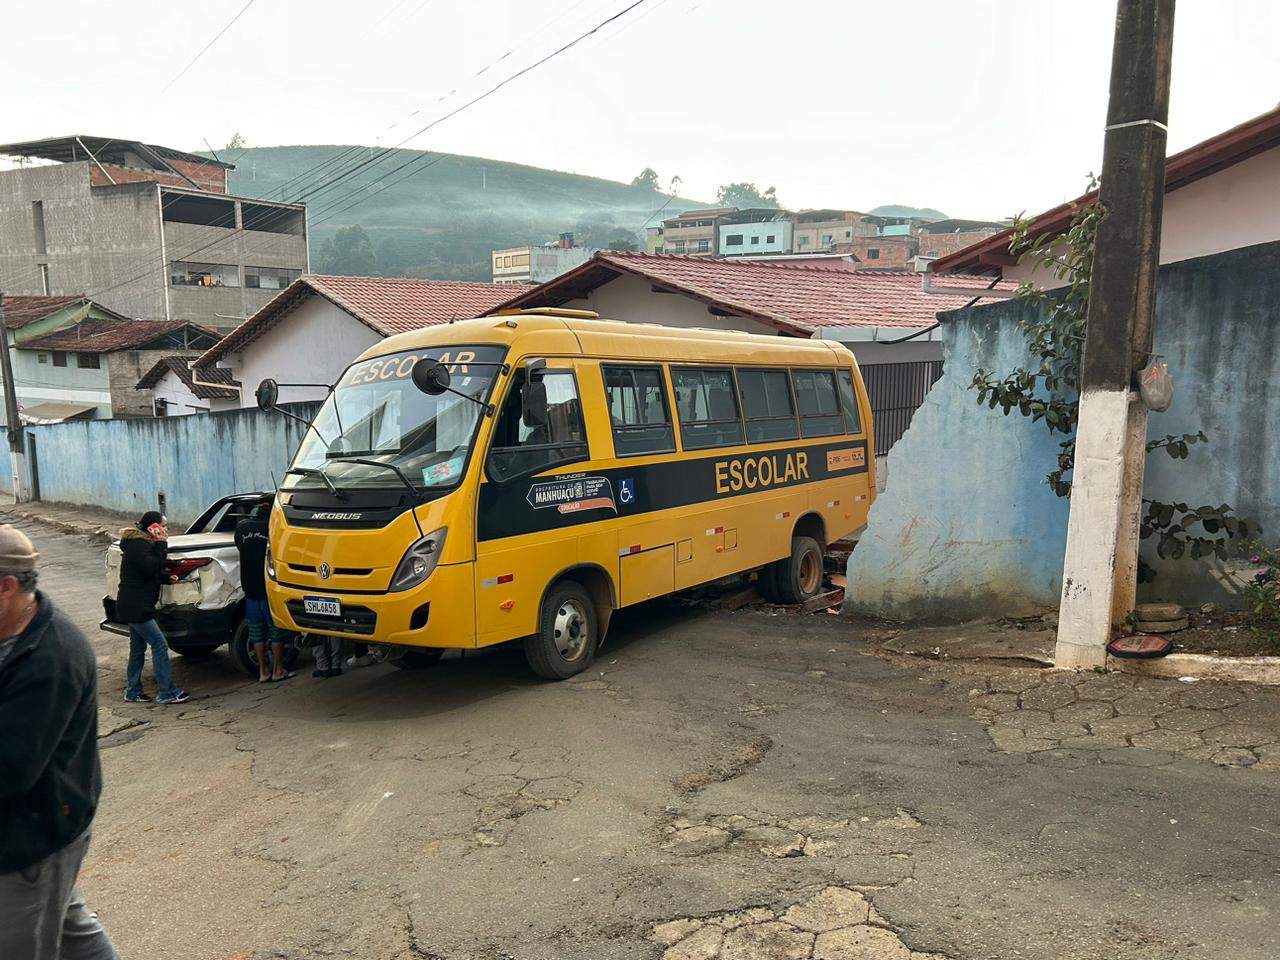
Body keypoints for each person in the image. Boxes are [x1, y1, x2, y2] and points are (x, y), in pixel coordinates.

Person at [0, 523, 120, 960]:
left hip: (32, 839)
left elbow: (9, 770)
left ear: (7, 588)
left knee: (25, 939)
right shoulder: (9, 633)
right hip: (34, 834)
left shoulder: (53, 659)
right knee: (71, 930)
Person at [117, 511, 189, 705]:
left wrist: (167, 578)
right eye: (163, 526)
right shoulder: (139, 545)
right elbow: (151, 567)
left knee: (137, 649)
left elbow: (149, 572)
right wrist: (161, 544)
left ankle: (133, 691)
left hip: (134, 605)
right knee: (159, 645)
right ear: (153, 528)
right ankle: (167, 692)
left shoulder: (140, 544)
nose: (165, 530)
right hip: (137, 607)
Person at [234, 497, 294, 683]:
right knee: (276, 632)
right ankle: (278, 669)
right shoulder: (272, 529)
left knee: (256, 633)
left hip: (250, 590)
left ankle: (262, 671)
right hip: (269, 589)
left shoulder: (242, 527)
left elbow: (239, 546)